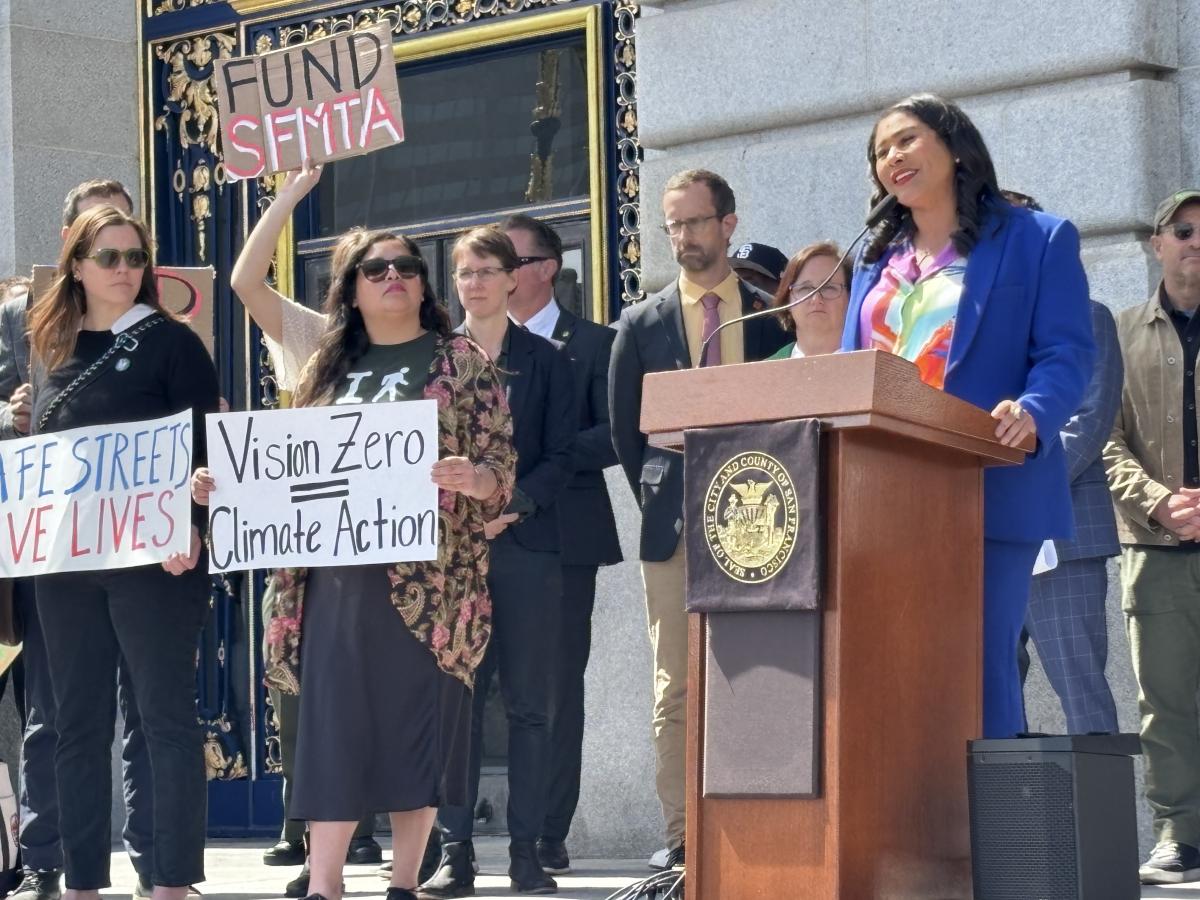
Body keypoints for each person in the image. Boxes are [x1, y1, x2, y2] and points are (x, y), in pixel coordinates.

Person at [200, 184, 517, 900]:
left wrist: (476, 478)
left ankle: (405, 881)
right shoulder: (324, 360)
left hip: (433, 583)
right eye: (376, 269)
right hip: (334, 577)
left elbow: (503, 468)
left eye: (407, 267)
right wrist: (291, 192)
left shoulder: (463, 362)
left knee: (417, 725)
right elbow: (246, 282)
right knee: (332, 726)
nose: (394, 277)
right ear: (352, 287)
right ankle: (327, 884)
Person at [840, 94, 1094, 740]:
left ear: (955, 147)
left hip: (989, 486)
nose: (890, 157)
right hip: (881, 496)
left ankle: (986, 836)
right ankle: (904, 832)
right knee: (891, 667)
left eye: (905, 140)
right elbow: (848, 372)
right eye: (879, 151)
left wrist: (1034, 412)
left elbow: (1066, 352)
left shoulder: (1037, 239)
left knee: (978, 663)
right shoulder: (875, 263)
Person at [27, 205, 217, 900]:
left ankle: (172, 880)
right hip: (65, 563)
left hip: (154, 559)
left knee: (164, 715)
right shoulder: (51, 347)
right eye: (109, 257)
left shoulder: (173, 344)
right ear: (76, 264)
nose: (126, 270)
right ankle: (82, 881)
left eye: (135, 258)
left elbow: (201, 448)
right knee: (76, 724)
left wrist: (191, 520)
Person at [609, 169, 789, 869]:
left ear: (728, 224)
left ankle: (761, 825)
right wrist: (664, 494)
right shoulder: (642, 323)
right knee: (676, 684)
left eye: (695, 222)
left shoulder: (770, 313)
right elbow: (628, 436)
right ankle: (685, 834)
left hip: (765, 528)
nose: (683, 237)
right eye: (673, 225)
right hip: (676, 530)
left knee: (765, 675)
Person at [1, 179, 172, 900]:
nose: (114, 253)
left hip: (136, 535)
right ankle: (47, 858)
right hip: (56, 538)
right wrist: (12, 412)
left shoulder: (161, 317)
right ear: (72, 249)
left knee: (143, 709)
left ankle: (154, 860)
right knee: (54, 710)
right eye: (96, 237)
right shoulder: (21, 315)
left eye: (123, 237)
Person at [224, 164, 383, 898]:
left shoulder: (420, 351)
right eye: (361, 270)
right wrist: (287, 196)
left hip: (384, 548)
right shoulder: (313, 340)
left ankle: (364, 819)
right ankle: (308, 818)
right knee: (297, 680)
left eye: (390, 268)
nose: (378, 281)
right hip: (305, 546)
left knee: (375, 685)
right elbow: (245, 283)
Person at [422, 226, 575, 898]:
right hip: (451, 558)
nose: (476, 283)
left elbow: (563, 455)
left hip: (525, 553)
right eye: (465, 272)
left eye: (488, 270)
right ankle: (456, 852)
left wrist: (517, 504)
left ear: (515, 278)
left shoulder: (548, 362)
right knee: (457, 703)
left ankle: (526, 853)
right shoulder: (431, 364)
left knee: (531, 708)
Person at [498, 213, 623, 877]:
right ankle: (451, 837)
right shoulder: (466, 346)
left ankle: (547, 831)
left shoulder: (597, 343)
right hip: (479, 537)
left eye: (507, 259)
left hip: (563, 537)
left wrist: (542, 463)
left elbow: (616, 432)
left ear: (546, 268)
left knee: (551, 689)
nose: (493, 272)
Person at [998, 191, 1122, 737]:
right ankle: (1010, 820)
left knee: (1082, 695)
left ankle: (1106, 825)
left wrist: (1022, 488)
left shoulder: (1089, 318)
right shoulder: (974, 332)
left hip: (1062, 540)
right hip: (989, 537)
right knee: (994, 696)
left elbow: (1089, 422)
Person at [1104, 188, 1200, 885]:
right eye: (1184, 231)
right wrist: (1160, 502)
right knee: (1164, 701)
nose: (1195, 243)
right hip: (1155, 548)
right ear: (1156, 244)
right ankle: (1181, 836)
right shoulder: (1119, 334)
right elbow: (1105, 443)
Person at [765, 241, 852, 359]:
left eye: (829, 288)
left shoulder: (875, 366)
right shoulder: (763, 372)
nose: (816, 299)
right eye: (805, 289)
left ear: (850, 298)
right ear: (787, 300)